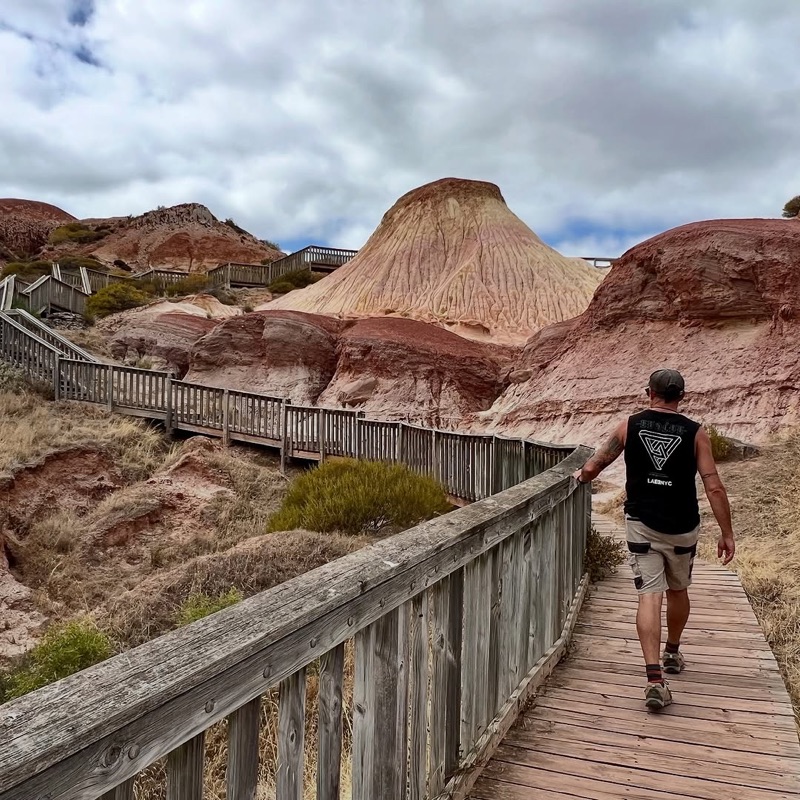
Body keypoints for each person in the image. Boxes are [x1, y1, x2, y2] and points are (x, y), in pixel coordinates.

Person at [573, 369, 735, 711]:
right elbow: (713, 484)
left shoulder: (630, 426)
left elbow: (596, 464)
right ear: (682, 397)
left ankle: (654, 680)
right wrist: (727, 533)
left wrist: (580, 476)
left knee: (649, 595)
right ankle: (672, 652)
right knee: (678, 590)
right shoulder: (696, 433)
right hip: (682, 527)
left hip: (641, 524)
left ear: (650, 393)